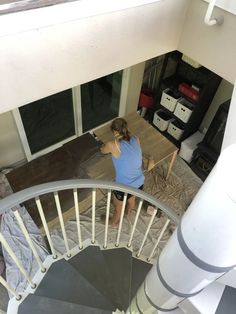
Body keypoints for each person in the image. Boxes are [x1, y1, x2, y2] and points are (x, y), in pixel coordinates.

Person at [100, 117, 144, 226]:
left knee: (117, 208)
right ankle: (128, 212)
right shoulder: (136, 138)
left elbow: (102, 150)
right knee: (131, 199)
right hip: (139, 182)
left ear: (114, 132)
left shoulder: (112, 145)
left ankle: (113, 222)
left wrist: (104, 145)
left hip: (123, 186)